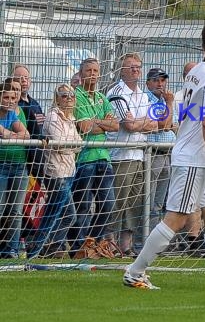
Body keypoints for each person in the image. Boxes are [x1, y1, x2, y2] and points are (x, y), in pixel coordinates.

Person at [123, 21, 205, 291]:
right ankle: (135, 271)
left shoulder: (196, 72)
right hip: (195, 157)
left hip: (196, 154)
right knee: (177, 217)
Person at [107, 53, 158, 256]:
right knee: (118, 202)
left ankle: (126, 246)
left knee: (135, 203)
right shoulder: (117, 92)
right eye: (131, 67)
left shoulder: (143, 95)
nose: (136, 70)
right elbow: (128, 126)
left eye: (138, 66)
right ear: (122, 70)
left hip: (140, 154)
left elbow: (155, 124)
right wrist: (142, 123)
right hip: (122, 156)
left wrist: (140, 123)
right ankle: (109, 243)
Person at [69, 58, 119, 259]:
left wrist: (96, 122)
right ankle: (78, 248)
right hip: (85, 159)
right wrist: (101, 123)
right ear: (81, 74)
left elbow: (115, 125)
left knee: (108, 204)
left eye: (96, 70)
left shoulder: (101, 97)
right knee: (82, 206)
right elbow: (84, 128)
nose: (93, 74)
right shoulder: (76, 96)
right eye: (88, 70)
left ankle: (92, 242)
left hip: (103, 157)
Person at [27, 84, 82, 258]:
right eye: (65, 96)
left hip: (69, 171)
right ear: (57, 99)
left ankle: (47, 247)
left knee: (66, 215)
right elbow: (59, 143)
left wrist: (69, 145)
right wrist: (70, 145)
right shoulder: (52, 117)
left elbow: (78, 144)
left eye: (72, 95)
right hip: (56, 173)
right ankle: (37, 248)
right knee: (56, 214)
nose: (69, 98)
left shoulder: (71, 119)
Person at [0, 81, 30, 258]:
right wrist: (9, 134)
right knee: (1, 207)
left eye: (13, 97)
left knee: (16, 210)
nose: (10, 100)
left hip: (19, 167)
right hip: (1, 165)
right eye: (6, 97)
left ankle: (11, 249)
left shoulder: (12, 115)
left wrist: (9, 134)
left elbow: (25, 134)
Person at [145, 68, 177, 231]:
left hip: (168, 154)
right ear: (148, 83)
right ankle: (142, 240)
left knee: (159, 203)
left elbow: (175, 126)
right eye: (156, 80)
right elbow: (165, 126)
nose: (160, 84)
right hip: (153, 154)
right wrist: (170, 105)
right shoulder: (146, 100)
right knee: (148, 201)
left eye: (163, 80)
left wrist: (168, 119)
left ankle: (153, 238)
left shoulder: (166, 100)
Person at [12, 64, 45, 180]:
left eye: (26, 77)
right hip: (22, 161)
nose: (23, 81)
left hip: (38, 161)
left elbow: (41, 129)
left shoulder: (35, 104)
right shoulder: (12, 106)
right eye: (19, 78)